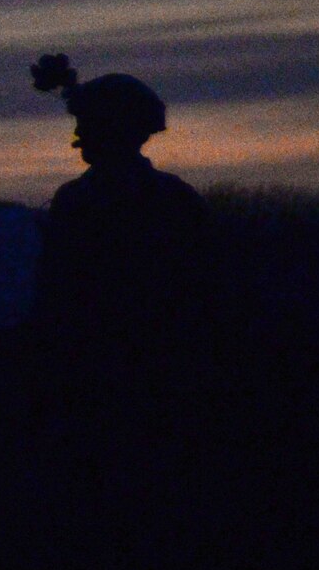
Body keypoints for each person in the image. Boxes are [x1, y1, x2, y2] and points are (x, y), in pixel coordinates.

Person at [28, 54, 208, 361]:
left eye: (87, 124)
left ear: (113, 129)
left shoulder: (78, 200)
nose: (78, 136)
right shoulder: (177, 196)